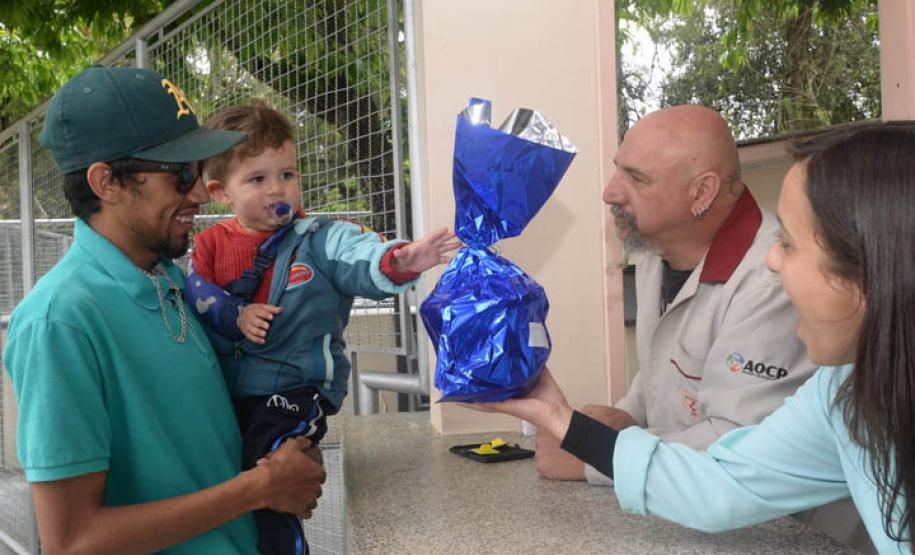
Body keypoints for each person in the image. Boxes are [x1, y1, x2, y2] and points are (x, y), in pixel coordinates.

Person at [468, 122, 915, 553]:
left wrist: (586, 455)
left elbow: (729, 443)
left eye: (791, 243)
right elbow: (720, 483)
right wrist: (560, 419)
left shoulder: (763, 289)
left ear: (876, 270)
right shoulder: (841, 392)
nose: (774, 261)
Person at [2, 66, 326, 554]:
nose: (198, 192)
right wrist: (259, 489)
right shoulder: (60, 321)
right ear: (106, 182)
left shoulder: (174, 281)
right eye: (180, 175)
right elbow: (73, 541)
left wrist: (285, 451)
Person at [184, 103, 458, 555]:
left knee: (271, 465)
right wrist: (234, 314)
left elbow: (359, 255)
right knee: (227, 473)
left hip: (293, 389)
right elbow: (194, 291)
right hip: (228, 391)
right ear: (220, 192)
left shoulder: (318, 238)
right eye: (258, 179)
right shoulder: (209, 244)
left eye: (287, 175)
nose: (278, 189)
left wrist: (401, 260)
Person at [535, 105, 817, 483]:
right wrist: (627, 415)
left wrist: (594, 458)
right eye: (619, 167)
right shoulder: (658, 250)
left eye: (635, 177)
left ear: (702, 192)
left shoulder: (771, 281)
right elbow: (663, 372)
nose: (610, 191)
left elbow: (738, 444)